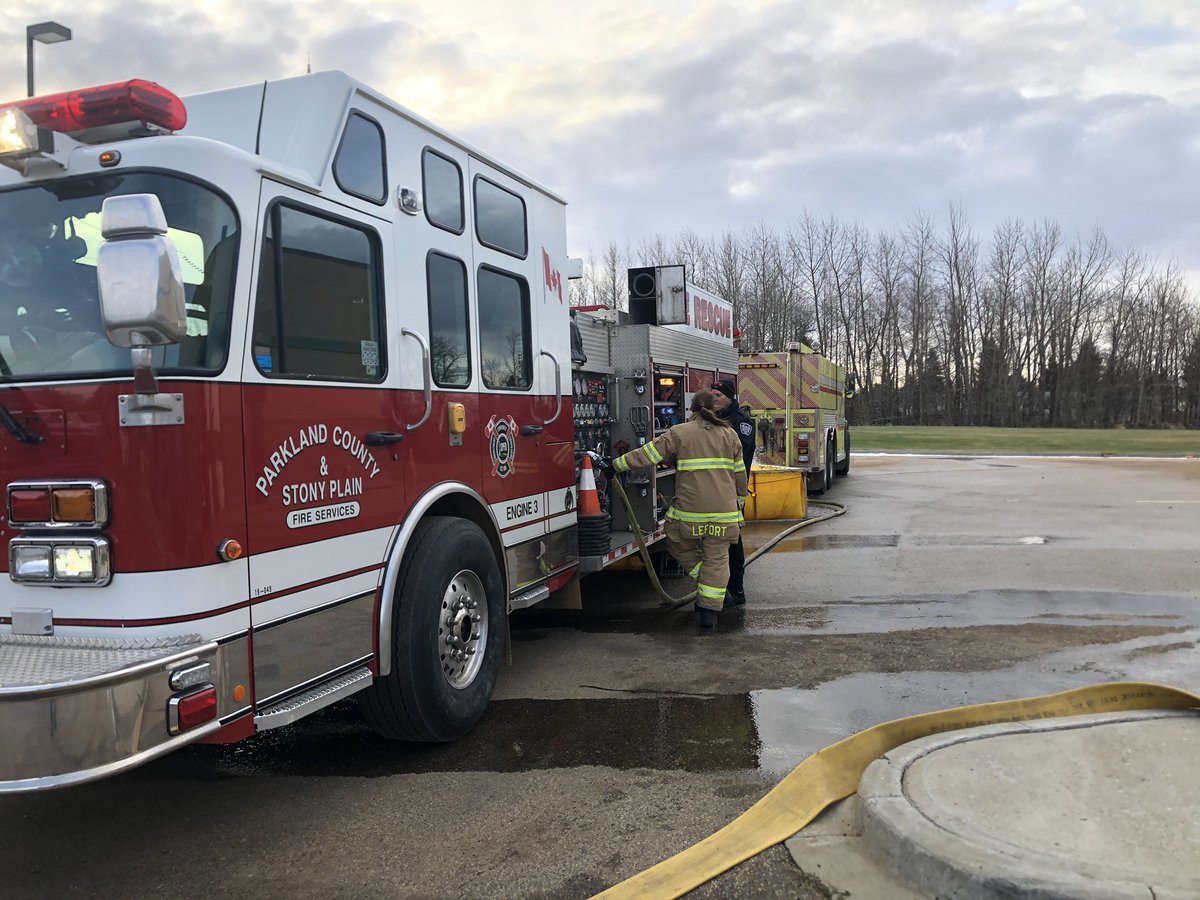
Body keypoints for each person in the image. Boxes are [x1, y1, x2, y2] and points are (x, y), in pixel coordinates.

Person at [601, 389, 748, 628]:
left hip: (690, 513)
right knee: (717, 560)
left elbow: (647, 454)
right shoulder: (730, 434)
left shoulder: (679, 432)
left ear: (692, 408)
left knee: (677, 544)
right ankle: (710, 610)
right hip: (724, 514)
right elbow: (740, 474)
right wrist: (739, 503)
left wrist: (615, 465)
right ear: (714, 408)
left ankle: (708, 590)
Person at [711, 379, 755, 606]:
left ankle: (736, 590)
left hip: (732, 492)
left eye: (717, 395)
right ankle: (721, 588)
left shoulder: (741, 424)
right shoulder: (716, 420)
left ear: (729, 397)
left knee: (732, 542)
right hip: (716, 491)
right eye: (711, 395)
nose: (713, 399)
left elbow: (740, 452)